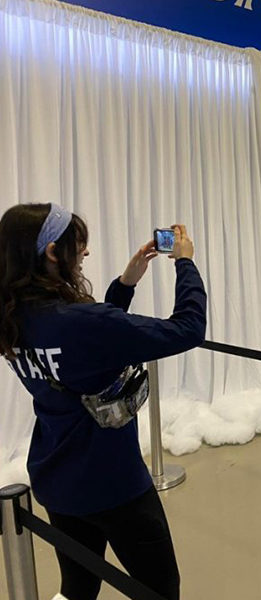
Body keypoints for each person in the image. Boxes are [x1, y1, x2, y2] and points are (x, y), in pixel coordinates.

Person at [0, 203, 207, 600]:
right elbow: (187, 328)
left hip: (55, 478)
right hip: (114, 484)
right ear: (51, 252)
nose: (86, 253)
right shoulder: (82, 322)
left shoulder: (15, 315)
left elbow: (84, 346)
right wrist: (185, 264)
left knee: (78, 586)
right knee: (160, 588)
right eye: (79, 245)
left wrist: (126, 284)